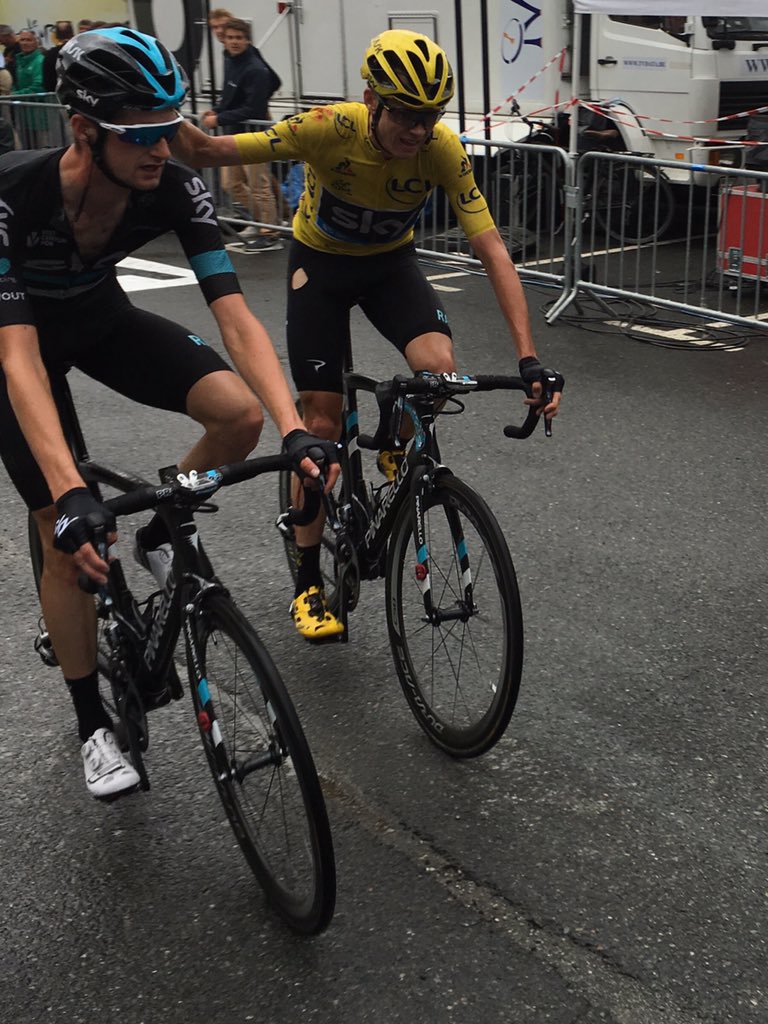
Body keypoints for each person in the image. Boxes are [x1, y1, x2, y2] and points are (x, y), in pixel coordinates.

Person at [0, 27, 338, 800]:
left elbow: (236, 316)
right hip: (15, 345)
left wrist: (292, 426)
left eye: (174, 125)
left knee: (237, 413)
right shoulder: (14, 198)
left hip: (99, 319)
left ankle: (155, 533)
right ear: (85, 130)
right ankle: (93, 727)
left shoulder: (174, 185)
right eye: (146, 133)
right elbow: (19, 359)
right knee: (62, 527)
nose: (167, 146)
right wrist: (72, 494)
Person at [171, 28, 564, 641]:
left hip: (389, 267)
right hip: (320, 268)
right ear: (371, 100)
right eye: (406, 113)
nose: (418, 129)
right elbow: (205, 152)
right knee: (321, 428)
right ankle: (306, 583)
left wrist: (530, 357)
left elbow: (492, 249)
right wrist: (158, 105)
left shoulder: (440, 149)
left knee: (438, 370)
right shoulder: (330, 128)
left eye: (430, 115)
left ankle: (392, 449)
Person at [201, 18, 281, 254]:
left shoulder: (255, 68)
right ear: (223, 40)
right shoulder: (230, 59)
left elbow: (253, 110)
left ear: (247, 40)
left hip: (253, 135)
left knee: (259, 185)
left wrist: (219, 118)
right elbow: (231, 93)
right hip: (234, 134)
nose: (234, 42)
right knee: (231, 183)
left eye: (239, 38)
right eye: (230, 38)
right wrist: (218, 109)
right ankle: (263, 223)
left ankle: (270, 233)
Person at [42, 20, 74, 92]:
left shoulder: (50, 54)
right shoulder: (79, 51)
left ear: (56, 36)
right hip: (79, 96)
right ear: (72, 34)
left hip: (57, 97)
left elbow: (47, 83)